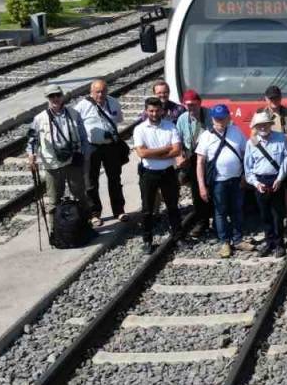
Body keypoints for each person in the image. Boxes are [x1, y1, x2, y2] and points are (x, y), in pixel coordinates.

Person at [197, 104, 251, 259]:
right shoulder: (206, 136)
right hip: (218, 181)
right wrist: (201, 186)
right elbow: (200, 162)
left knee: (237, 209)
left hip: (236, 179)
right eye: (217, 118)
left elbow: (245, 154)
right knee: (220, 212)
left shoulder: (236, 131)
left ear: (229, 117)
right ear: (212, 118)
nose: (220, 121)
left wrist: (245, 175)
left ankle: (238, 239)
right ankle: (224, 242)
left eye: (222, 118)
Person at [133, 96, 183, 254]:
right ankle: (147, 240)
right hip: (148, 174)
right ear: (146, 111)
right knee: (147, 209)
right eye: (151, 111)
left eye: (157, 110)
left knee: (173, 207)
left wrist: (152, 153)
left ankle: (178, 237)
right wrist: (165, 149)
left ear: (162, 110)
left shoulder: (170, 126)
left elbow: (177, 150)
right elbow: (141, 152)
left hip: (168, 172)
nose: (154, 114)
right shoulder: (140, 129)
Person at [74, 79, 125, 227]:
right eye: (97, 91)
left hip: (110, 146)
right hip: (91, 147)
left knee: (115, 178)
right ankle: (94, 213)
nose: (101, 94)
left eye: (103, 91)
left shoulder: (113, 102)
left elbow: (119, 119)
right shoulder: (82, 106)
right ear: (91, 92)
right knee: (90, 182)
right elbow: (76, 126)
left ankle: (119, 209)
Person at [27, 84, 88, 207]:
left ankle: (84, 223)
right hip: (52, 163)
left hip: (73, 160)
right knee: (54, 199)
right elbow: (32, 140)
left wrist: (84, 155)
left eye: (58, 95)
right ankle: (55, 226)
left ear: (62, 96)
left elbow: (83, 137)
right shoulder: (39, 119)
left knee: (80, 195)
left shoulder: (74, 114)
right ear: (47, 98)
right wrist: (31, 155)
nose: (55, 98)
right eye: (51, 96)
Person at [245, 111, 287, 258]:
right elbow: (248, 167)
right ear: (256, 127)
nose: (263, 127)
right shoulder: (251, 143)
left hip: (276, 179)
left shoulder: (280, 138)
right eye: (259, 125)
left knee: (277, 214)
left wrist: (280, 178)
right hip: (260, 181)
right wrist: (255, 183)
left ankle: (279, 243)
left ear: (270, 125)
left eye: (265, 124)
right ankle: (269, 241)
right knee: (264, 214)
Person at [175, 90, 214, 235]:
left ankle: (216, 220)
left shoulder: (209, 116)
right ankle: (202, 222)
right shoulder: (182, 119)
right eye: (188, 105)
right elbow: (178, 139)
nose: (191, 108)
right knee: (197, 192)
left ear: (200, 103)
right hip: (192, 158)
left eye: (193, 105)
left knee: (213, 190)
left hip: (210, 158)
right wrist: (180, 156)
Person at [263, 85, 287, 232]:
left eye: (277, 97)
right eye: (271, 98)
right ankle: (275, 219)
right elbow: (255, 136)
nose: (274, 101)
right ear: (266, 99)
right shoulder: (261, 114)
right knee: (273, 187)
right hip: (269, 157)